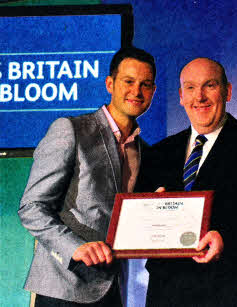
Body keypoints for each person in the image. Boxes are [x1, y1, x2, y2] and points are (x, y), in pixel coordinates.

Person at [136, 57, 237, 307]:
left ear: (227, 91)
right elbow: (139, 225)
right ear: (181, 96)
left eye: (209, 85)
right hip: (170, 295)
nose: (199, 97)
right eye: (190, 88)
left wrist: (227, 239)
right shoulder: (158, 154)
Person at [18, 46, 157, 307]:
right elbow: (32, 208)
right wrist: (75, 247)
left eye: (145, 84)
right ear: (110, 83)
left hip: (112, 290)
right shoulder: (70, 130)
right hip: (63, 288)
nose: (136, 92)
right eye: (128, 81)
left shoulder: (145, 152)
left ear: (153, 92)